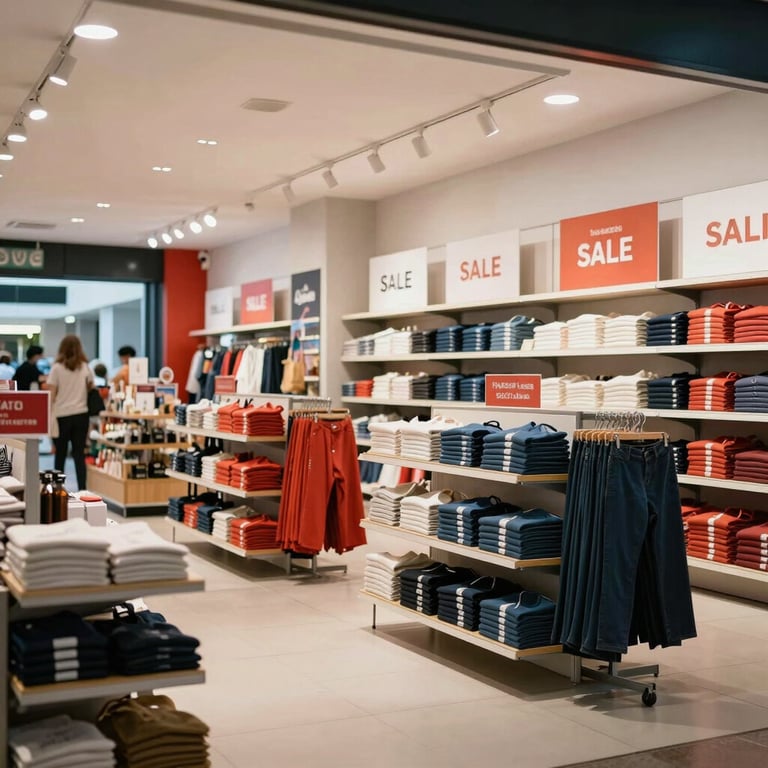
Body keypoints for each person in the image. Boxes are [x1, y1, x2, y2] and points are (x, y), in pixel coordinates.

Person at [44, 335, 94, 491]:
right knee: (79, 455)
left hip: (62, 416)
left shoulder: (56, 368)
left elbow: (51, 394)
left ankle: (58, 490)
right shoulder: (85, 367)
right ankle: (83, 490)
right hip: (81, 415)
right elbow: (91, 387)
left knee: (60, 454)